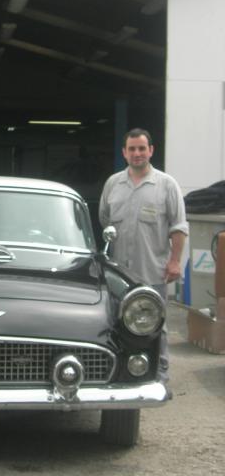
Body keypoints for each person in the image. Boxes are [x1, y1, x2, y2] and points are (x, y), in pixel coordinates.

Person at [98, 128, 189, 381]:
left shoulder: (166, 185)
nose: (137, 153)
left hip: (152, 270)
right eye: (132, 149)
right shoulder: (113, 184)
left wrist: (174, 262)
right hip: (118, 273)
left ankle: (159, 373)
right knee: (116, 321)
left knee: (155, 324)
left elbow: (179, 227)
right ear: (124, 152)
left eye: (142, 148)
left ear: (151, 151)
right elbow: (105, 221)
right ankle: (122, 370)